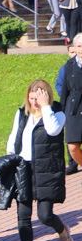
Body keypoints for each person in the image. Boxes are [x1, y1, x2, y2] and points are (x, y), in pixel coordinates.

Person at [5, 80, 75, 241]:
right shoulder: (21, 115)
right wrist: (11, 157)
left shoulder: (57, 114)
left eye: (38, 97)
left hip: (45, 170)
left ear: (47, 96)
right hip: (23, 169)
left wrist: (46, 107)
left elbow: (53, 130)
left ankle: (62, 230)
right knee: (23, 217)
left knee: (44, 215)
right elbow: (13, 139)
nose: (34, 101)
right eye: (31, 97)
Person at [56, 40, 78, 175]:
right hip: (71, 106)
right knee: (71, 137)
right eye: (72, 52)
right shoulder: (66, 68)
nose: (74, 54)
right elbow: (60, 85)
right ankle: (72, 163)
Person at [61, 33, 82, 175]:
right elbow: (65, 90)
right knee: (72, 146)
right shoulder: (69, 65)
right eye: (79, 46)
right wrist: (62, 111)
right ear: (74, 47)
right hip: (74, 107)